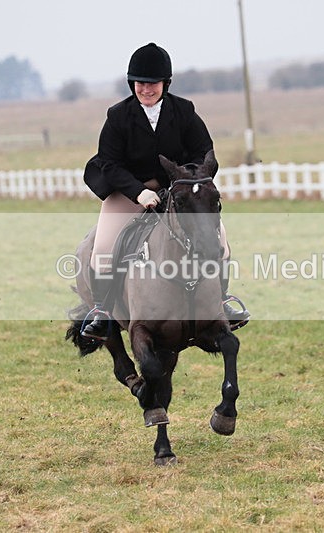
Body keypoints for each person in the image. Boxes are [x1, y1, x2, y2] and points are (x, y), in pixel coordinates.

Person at [80, 42, 249, 340]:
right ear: (132, 83)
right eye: (140, 84)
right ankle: (103, 312)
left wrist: (185, 181)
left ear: (165, 84)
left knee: (220, 239)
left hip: (178, 192)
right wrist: (138, 192)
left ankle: (222, 301)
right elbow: (108, 162)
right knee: (103, 248)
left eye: (153, 84)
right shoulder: (118, 116)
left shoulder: (183, 111)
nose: (146, 89)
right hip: (127, 191)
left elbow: (204, 152)